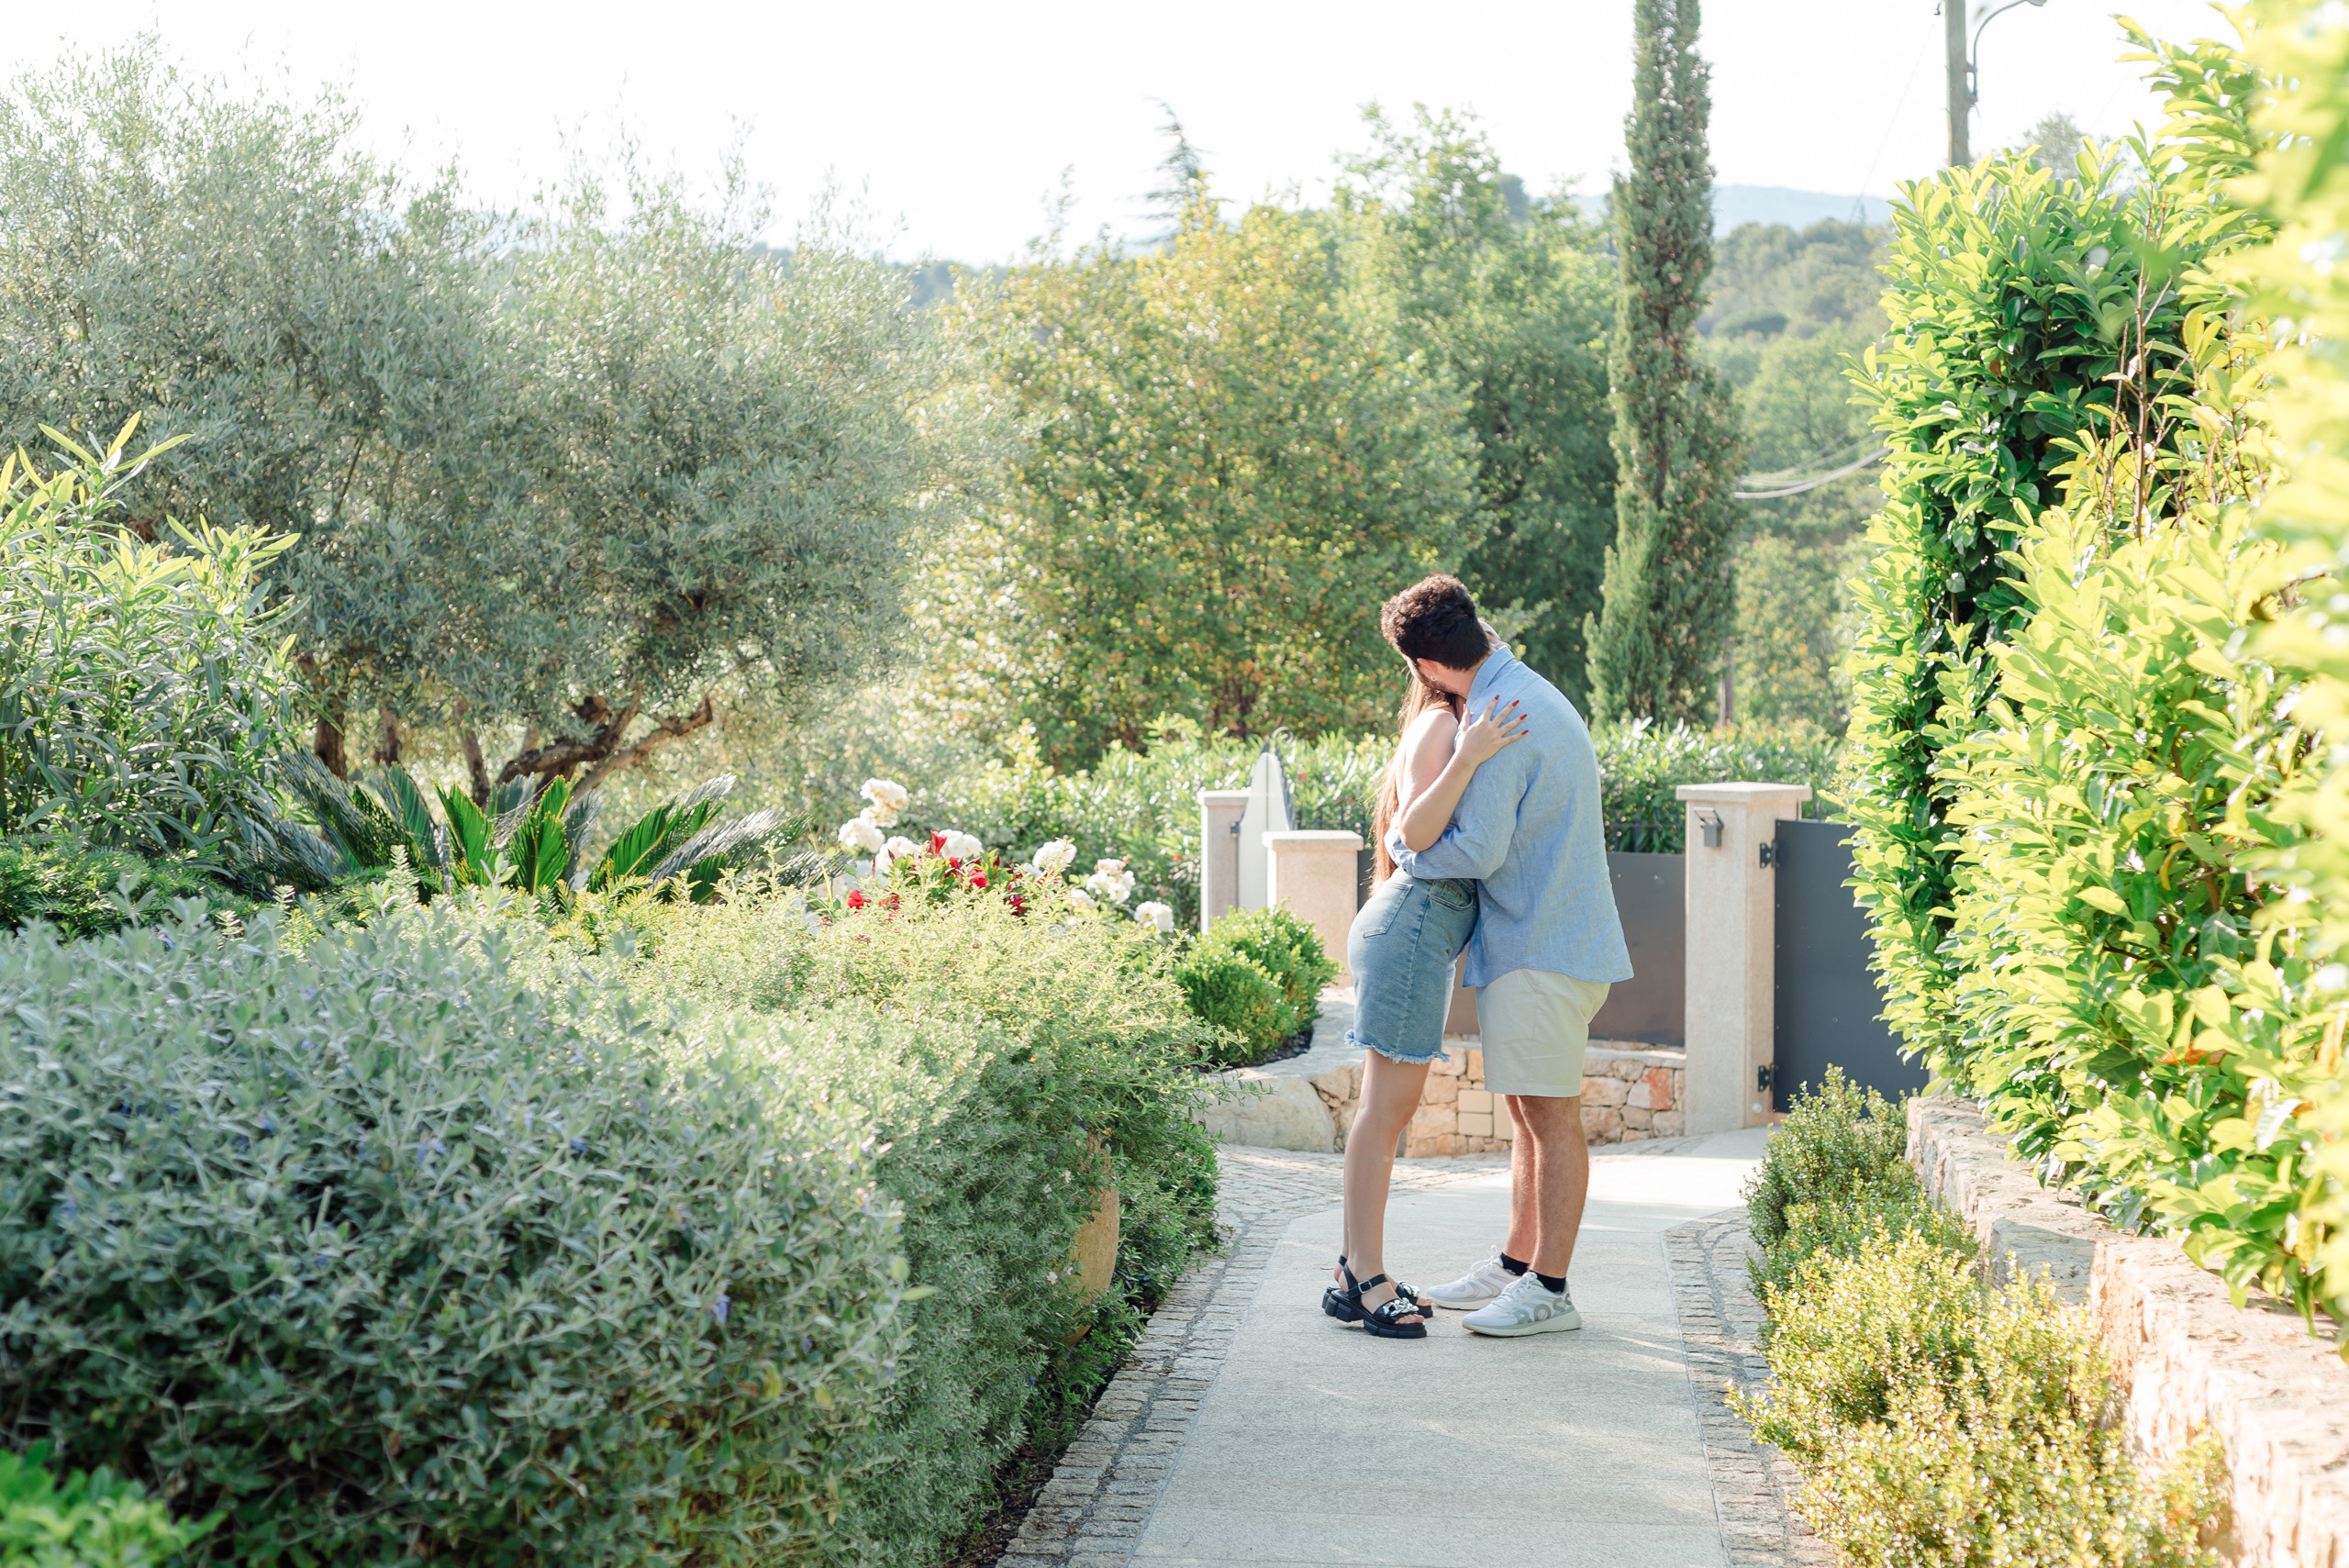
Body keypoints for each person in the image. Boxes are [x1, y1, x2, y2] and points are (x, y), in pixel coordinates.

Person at [1385, 574, 1631, 1339]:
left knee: (1551, 1116)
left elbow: (1480, 848)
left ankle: (1549, 1287)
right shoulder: (1515, 685)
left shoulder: (1497, 711)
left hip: (1543, 948)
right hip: (1549, 943)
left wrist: (1401, 846)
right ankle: (1516, 1263)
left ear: (1425, 667)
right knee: (1529, 1111)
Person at [1324, 607, 1529, 1340]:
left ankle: (1356, 1269)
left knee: (1386, 1109)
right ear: (1433, 667)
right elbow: (1413, 830)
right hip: (1409, 930)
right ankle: (1365, 1278)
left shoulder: (1449, 719)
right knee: (1386, 1110)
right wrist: (1470, 757)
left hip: (1414, 933)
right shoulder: (1446, 728)